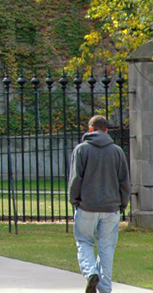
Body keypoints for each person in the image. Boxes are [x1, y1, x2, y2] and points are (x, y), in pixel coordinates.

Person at [69, 115, 130, 293]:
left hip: (87, 205)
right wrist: (122, 204)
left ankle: (90, 273)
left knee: (84, 241)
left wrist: (75, 201)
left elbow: (75, 180)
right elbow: (124, 182)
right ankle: (105, 288)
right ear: (106, 130)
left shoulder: (81, 150)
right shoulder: (117, 151)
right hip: (111, 207)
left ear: (89, 129)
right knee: (106, 248)